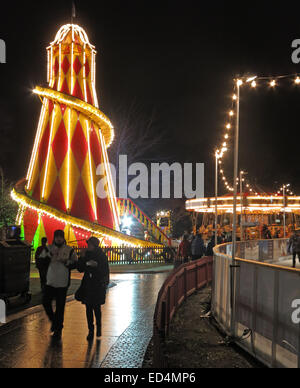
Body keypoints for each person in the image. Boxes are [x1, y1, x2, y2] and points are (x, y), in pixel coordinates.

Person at [42, 230, 78, 341]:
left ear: (63, 238)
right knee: (46, 302)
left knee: (60, 306)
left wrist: (66, 262)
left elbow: (75, 263)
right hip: (50, 281)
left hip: (62, 282)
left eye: (60, 237)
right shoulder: (48, 248)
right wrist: (48, 257)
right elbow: (41, 262)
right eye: (56, 237)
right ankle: (54, 321)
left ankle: (58, 329)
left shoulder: (69, 250)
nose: (58, 239)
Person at [76, 237, 110, 342]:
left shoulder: (101, 256)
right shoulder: (87, 254)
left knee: (96, 307)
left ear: (95, 245)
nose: (88, 247)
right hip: (88, 284)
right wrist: (81, 257)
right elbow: (80, 268)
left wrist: (96, 266)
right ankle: (90, 330)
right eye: (88, 245)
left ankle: (98, 326)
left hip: (97, 285)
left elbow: (105, 270)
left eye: (90, 245)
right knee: (88, 308)